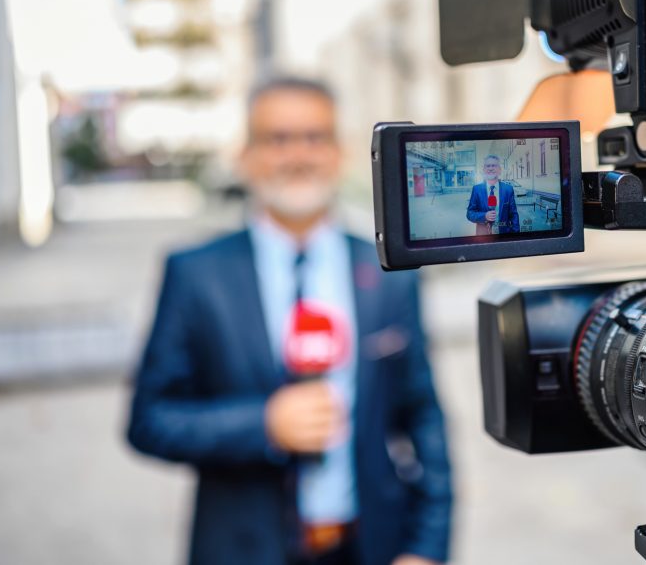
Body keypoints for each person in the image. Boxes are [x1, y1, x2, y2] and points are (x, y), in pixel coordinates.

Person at [127, 76, 452, 565]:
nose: (298, 155)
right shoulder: (195, 274)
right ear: (246, 155)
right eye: (278, 139)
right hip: (243, 549)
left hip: (368, 546)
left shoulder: (389, 275)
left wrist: (426, 548)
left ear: (339, 153)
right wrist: (263, 424)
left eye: (314, 138)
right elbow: (149, 420)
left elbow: (424, 417)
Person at [465, 154, 519, 235]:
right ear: (484, 170)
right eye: (488, 166)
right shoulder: (477, 189)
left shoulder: (508, 189)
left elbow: (514, 215)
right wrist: (484, 216)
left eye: (494, 165)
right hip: (483, 237)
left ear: (500, 170)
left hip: (504, 235)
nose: (490, 168)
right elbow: (470, 213)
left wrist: (516, 237)